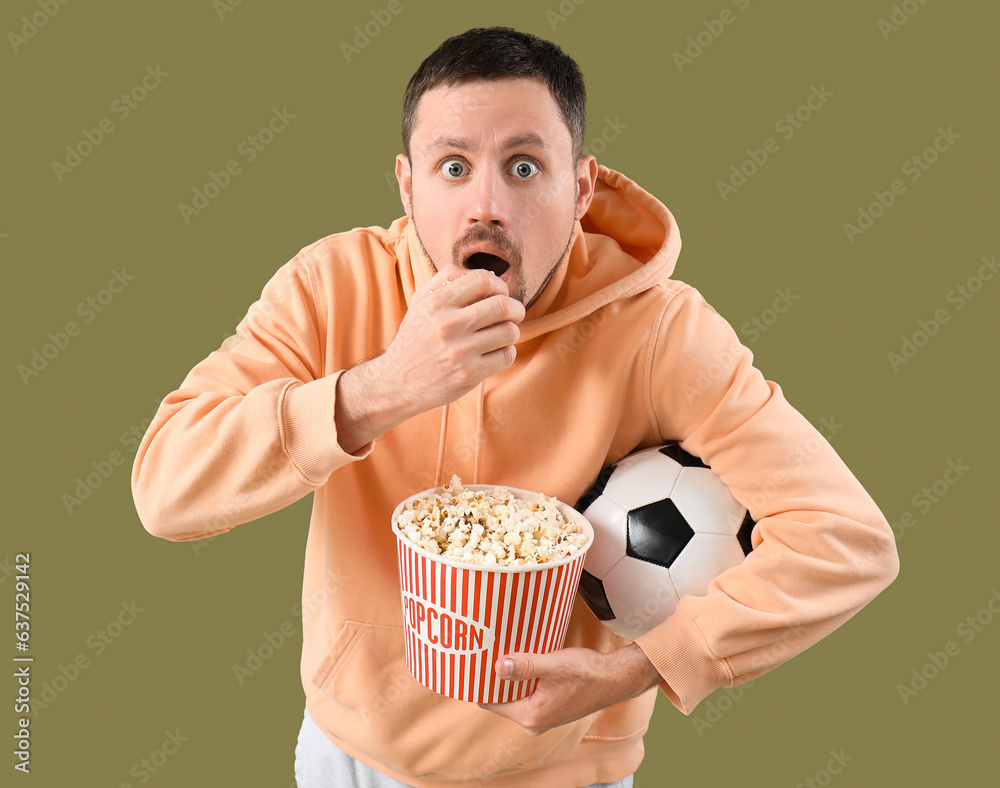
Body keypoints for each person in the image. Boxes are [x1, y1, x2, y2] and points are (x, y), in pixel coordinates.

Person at [131, 26, 899, 788]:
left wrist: (640, 666)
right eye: (453, 167)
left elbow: (846, 540)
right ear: (407, 184)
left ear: (582, 188)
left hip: (569, 774)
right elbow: (165, 490)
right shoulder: (330, 287)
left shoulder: (661, 331)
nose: (487, 205)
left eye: (525, 167)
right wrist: (383, 388)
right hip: (352, 760)